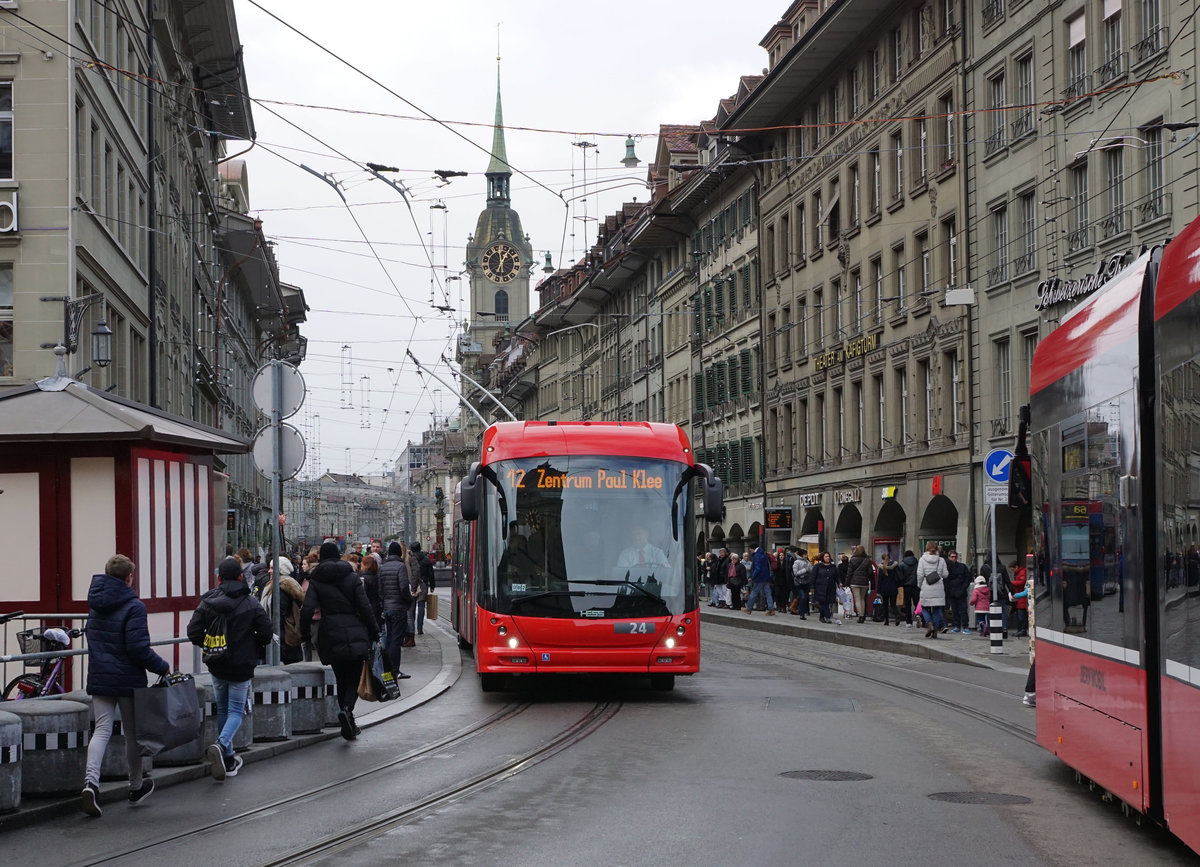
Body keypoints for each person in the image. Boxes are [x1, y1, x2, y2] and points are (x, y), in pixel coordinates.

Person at [81, 554, 172, 817]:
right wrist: (162, 666)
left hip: (100, 675)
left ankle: (91, 783)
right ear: (129, 577)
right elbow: (137, 648)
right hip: (129, 678)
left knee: (101, 729)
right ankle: (135, 786)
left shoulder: (95, 603)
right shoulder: (134, 606)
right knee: (133, 735)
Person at [188, 556, 273, 781]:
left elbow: (193, 632)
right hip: (241, 665)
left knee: (223, 709)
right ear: (239, 577)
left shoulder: (207, 602)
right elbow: (266, 633)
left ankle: (228, 758)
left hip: (217, 664)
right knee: (236, 710)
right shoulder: (250, 603)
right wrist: (252, 644)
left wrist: (210, 644)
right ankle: (221, 744)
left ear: (218, 578)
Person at [301, 541, 380, 741]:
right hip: (355, 632)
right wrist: (375, 631)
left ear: (320, 558)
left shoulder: (316, 580)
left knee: (340, 678)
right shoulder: (352, 576)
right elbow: (365, 607)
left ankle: (349, 720)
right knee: (353, 678)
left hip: (330, 634)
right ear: (338, 556)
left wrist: (305, 635)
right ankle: (347, 710)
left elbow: (307, 609)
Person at [367, 541, 414, 678]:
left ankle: (386, 669)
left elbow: (380, 589)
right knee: (396, 640)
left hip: (387, 607)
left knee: (388, 638)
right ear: (399, 553)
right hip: (398, 608)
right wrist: (408, 600)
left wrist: (384, 602)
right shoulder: (401, 567)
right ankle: (394, 670)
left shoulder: (383, 567)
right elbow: (404, 587)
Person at [259, 556, 306, 664]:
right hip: (283, 637)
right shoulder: (280, 585)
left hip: (283, 639)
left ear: (280, 570)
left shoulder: (281, 588)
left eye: (272, 568)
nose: (269, 571)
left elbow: (278, 615)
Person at [915, 540, 948, 638]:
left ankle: (929, 624)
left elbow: (920, 574)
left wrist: (920, 585)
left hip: (926, 585)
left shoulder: (922, 559)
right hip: (938, 586)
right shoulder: (941, 560)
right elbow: (946, 574)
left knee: (924, 607)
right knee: (937, 609)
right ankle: (935, 632)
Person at [945, 550, 972, 634]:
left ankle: (965, 626)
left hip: (961, 591)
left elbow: (967, 578)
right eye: (952, 557)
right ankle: (957, 625)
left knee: (963, 610)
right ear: (949, 557)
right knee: (954, 610)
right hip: (951, 592)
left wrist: (963, 587)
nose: (954, 558)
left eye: (955, 557)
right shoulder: (946, 567)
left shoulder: (962, 567)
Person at [811, 551, 841, 624]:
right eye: (826, 557)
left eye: (828, 556)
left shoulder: (833, 566)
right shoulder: (818, 566)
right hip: (820, 587)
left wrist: (839, 582)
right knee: (824, 602)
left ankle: (821, 617)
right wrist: (812, 586)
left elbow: (837, 576)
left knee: (827, 602)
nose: (828, 558)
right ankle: (827, 617)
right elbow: (813, 577)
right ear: (822, 558)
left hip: (830, 587)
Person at [744, 546, 775, 615]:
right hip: (766, 577)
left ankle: (748, 609)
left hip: (759, 578)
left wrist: (752, 576)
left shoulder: (757, 556)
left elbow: (757, 568)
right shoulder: (764, 554)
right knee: (768, 593)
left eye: (750, 550)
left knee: (754, 593)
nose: (750, 551)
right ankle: (771, 609)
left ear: (753, 549)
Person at [847, 545, 874, 624]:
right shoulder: (867, 560)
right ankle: (863, 615)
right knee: (862, 599)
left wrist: (847, 583)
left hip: (854, 582)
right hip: (864, 582)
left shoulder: (852, 559)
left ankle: (860, 615)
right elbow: (870, 572)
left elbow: (849, 572)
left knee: (857, 599)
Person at [898, 549, 919, 627]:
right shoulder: (917, 563)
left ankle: (909, 621)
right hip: (916, 585)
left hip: (906, 586)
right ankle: (919, 616)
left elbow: (900, 577)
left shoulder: (902, 564)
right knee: (917, 603)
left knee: (908, 604)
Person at [876, 553, 899, 626]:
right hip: (893, 587)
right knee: (893, 604)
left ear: (882, 558)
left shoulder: (881, 567)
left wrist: (878, 591)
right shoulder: (895, 565)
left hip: (884, 588)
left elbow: (880, 580)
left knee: (885, 605)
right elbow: (898, 576)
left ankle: (886, 620)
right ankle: (897, 615)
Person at [791, 550, 812, 618]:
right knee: (802, 597)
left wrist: (810, 570)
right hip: (799, 582)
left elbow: (811, 570)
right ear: (802, 555)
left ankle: (802, 612)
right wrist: (805, 570)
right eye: (805, 554)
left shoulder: (807, 562)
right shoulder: (796, 562)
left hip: (807, 582)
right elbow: (795, 573)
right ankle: (801, 613)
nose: (806, 556)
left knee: (805, 598)